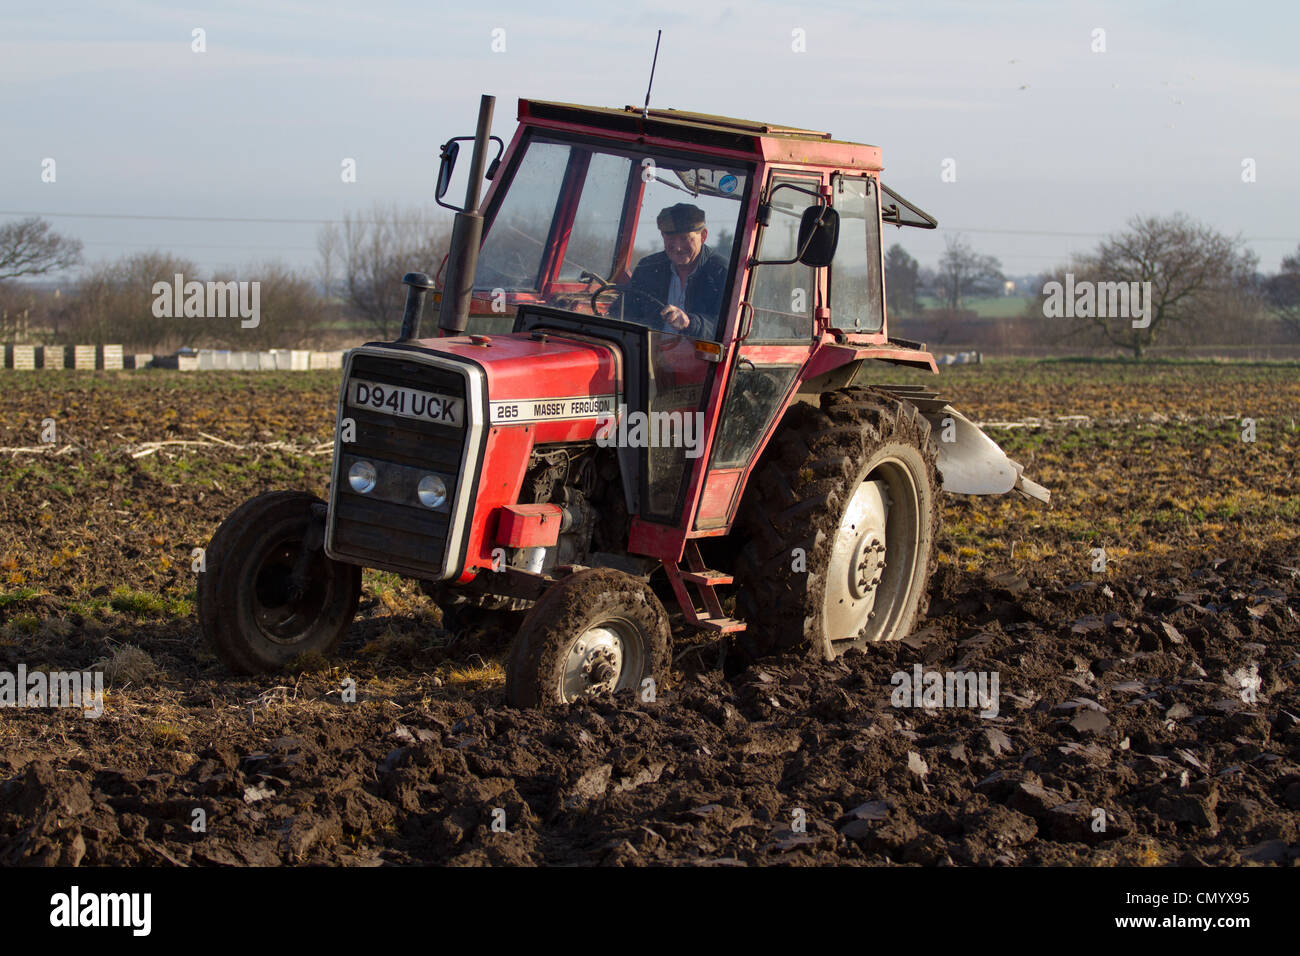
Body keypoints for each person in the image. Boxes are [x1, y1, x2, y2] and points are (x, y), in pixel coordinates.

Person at [623, 203, 728, 337]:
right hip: (647, 353)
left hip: (698, 356)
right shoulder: (648, 268)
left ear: (703, 236)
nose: (678, 247)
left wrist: (690, 323)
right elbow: (623, 312)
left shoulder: (722, 273)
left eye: (685, 238)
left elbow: (726, 327)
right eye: (671, 238)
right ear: (662, 235)